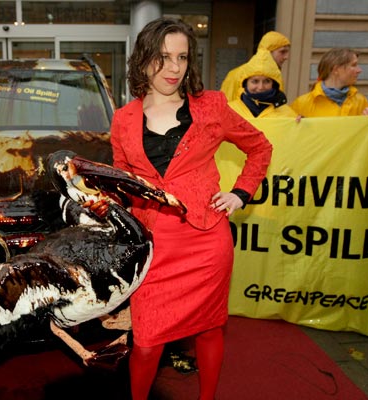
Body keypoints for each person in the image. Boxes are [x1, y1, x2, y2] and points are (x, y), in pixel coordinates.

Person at [106, 18, 272, 399]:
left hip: (205, 240)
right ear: (143, 59)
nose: (174, 68)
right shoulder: (123, 119)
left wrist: (240, 193)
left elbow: (260, 147)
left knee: (209, 328)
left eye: (182, 57)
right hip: (153, 246)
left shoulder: (211, 106)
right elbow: (122, 181)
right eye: (163, 57)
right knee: (147, 343)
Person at [290, 48, 368, 117]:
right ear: (336, 69)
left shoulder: (361, 101)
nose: (359, 70)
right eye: (354, 65)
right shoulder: (303, 104)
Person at [220, 31, 291, 101]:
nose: (286, 57)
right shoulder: (235, 74)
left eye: (267, 81)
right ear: (268, 51)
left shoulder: (276, 75)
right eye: (282, 52)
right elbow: (225, 104)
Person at [228, 49, 297, 118]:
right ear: (245, 83)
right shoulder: (229, 111)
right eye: (255, 81)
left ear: (274, 83)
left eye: (267, 81)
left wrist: (300, 124)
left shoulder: (287, 115)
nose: (260, 87)